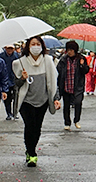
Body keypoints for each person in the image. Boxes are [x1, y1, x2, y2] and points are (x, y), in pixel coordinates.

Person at [12, 36, 61, 167]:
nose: (35, 46)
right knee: (30, 125)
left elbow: (53, 82)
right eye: (32, 44)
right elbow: (15, 85)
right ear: (28, 46)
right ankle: (32, 153)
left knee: (37, 128)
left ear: (42, 46)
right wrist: (22, 78)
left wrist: (56, 98)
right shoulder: (20, 63)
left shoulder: (48, 61)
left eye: (38, 44)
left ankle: (30, 149)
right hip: (26, 102)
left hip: (43, 101)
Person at [56, 40, 89, 130]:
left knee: (78, 103)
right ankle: (67, 122)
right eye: (68, 50)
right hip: (66, 86)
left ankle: (76, 120)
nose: (69, 52)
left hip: (77, 87)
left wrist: (82, 65)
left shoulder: (81, 58)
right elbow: (58, 71)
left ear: (75, 50)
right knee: (66, 106)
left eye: (71, 50)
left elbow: (86, 71)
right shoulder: (63, 59)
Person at [0, 44, 20, 120]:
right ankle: (8, 113)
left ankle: (15, 113)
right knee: (7, 98)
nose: (10, 50)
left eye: (11, 48)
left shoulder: (17, 56)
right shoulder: (1, 56)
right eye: (8, 48)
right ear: (5, 48)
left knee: (16, 97)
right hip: (5, 80)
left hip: (15, 79)